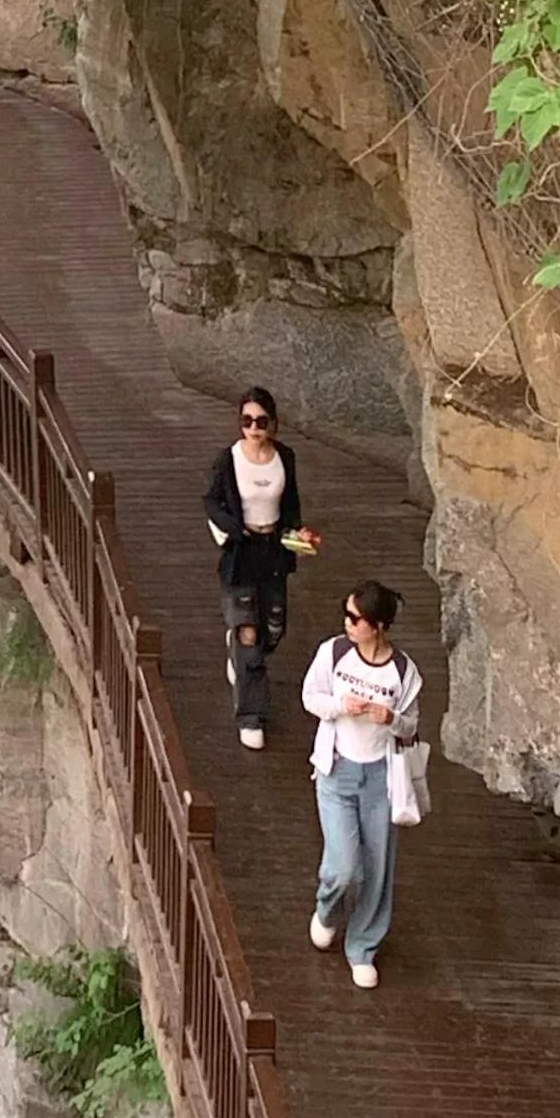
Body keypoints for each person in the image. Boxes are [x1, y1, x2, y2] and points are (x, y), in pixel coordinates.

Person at [302, 579, 422, 987]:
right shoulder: (334, 653)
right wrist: (340, 706)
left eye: (355, 618)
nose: (347, 623)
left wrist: (391, 719)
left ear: (378, 625)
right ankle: (326, 910)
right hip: (337, 771)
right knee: (342, 866)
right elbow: (310, 697)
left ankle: (363, 947)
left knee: (377, 866)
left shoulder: (402, 671)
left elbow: (411, 725)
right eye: (347, 615)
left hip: (380, 778)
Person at [202, 388, 313, 748]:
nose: (253, 428)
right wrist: (236, 529)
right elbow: (212, 502)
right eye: (246, 421)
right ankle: (251, 715)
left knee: (273, 629)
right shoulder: (227, 460)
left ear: (274, 424)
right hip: (241, 551)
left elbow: (291, 502)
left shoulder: (285, 458)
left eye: (260, 421)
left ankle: (242, 654)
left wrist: (298, 533)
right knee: (247, 629)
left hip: (274, 551)